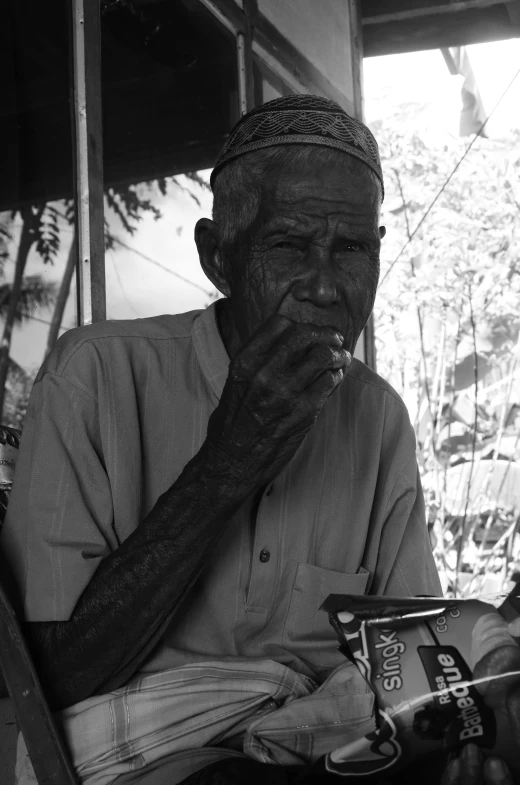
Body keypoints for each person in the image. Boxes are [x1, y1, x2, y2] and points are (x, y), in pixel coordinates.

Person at [1, 96, 516, 785]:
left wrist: (461, 737)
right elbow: (56, 675)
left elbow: (409, 663)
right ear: (219, 257)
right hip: (141, 761)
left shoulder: (377, 416)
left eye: (353, 248)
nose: (327, 284)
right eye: (290, 245)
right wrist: (227, 460)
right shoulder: (93, 376)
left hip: (324, 751)